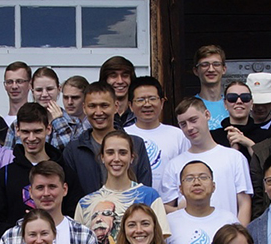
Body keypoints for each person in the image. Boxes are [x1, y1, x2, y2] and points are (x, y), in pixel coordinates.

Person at [74, 129, 165, 244]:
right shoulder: (85, 203)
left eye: (123, 153)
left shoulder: (150, 196)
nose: (116, 159)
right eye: (110, 153)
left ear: (132, 158)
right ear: (102, 157)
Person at [0, 103, 66, 244]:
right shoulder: (6, 174)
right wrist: (23, 234)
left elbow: (73, 213)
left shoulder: (64, 170)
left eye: (37, 131)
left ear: (48, 129)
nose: (31, 138)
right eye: (25, 131)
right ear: (17, 130)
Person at [61, 82, 151, 210]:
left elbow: (145, 188)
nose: (98, 112)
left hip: (131, 218)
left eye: (104, 105)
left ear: (116, 107)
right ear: (84, 108)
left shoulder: (136, 144)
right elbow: (70, 197)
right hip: (88, 218)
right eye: (92, 106)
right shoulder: (74, 150)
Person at [169, 97, 251, 222]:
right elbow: (166, 207)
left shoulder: (235, 157)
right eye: (183, 124)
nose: (189, 128)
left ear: (207, 115)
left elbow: (244, 203)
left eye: (193, 120)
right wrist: (180, 210)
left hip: (228, 232)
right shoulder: (174, 164)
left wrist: (241, 232)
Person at [126, 76, 188, 201]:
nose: (147, 104)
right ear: (131, 105)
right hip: (132, 204)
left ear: (162, 102)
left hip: (170, 205)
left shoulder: (178, 135)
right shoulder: (123, 135)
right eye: (140, 100)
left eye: (152, 99)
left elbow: (186, 171)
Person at [215, 79, 270, 154]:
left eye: (245, 97)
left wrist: (248, 144)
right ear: (225, 104)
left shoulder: (266, 136)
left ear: (251, 103)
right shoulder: (213, 137)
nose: (239, 101)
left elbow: (266, 161)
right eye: (232, 98)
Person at [192, 45, 231, 125]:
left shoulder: (233, 104)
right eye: (204, 64)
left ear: (224, 69)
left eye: (216, 64)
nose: (211, 69)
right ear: (196, 71)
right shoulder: (190, 106)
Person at [51, 74, 90, 146]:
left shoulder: (93, 121)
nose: (69, 102)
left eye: (75, 98)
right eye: (66, 97)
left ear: (86, 98)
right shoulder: (55, 121)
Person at [1, 60, 33, 125]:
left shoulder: (39, 120)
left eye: (19, 81)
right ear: (5, 86)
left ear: (30, 84)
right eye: (10, 82)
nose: (14, 86)